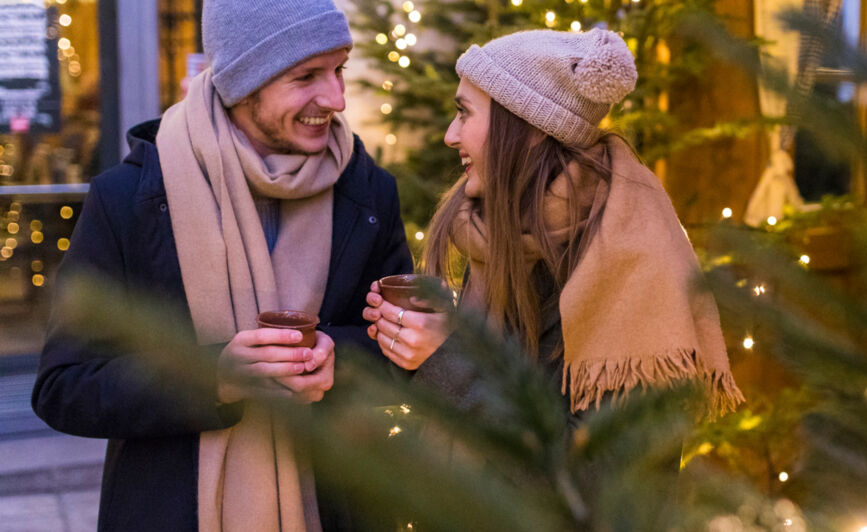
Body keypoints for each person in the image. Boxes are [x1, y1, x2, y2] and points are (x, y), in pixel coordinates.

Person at [32, 0, 412, 530]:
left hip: (333, 505)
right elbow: (64, 389)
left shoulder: (367, 192)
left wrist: (338, 359)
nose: (336, 97)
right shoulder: (127, 200)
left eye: (339, 69)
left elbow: (397, 354)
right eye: (306, 75)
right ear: (242, 83)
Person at [363, 29, 742, 424]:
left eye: (465, 113)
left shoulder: (630, 262)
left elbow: (595, 479)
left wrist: (449, 357)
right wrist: (435, 338)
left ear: (527, 125)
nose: (450, 135)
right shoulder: (500, 229)